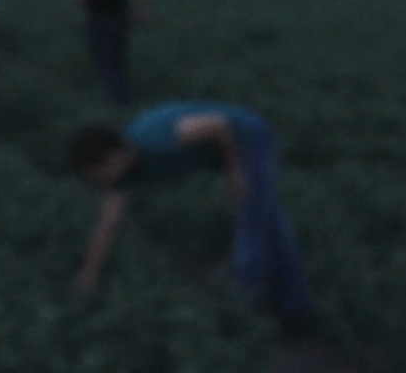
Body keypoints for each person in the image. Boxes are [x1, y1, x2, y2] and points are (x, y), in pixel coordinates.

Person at [68, 101, 318, 336]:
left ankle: (236, 321)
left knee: (252, 232)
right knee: (270, 227)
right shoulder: (122, 176)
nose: (97, 183)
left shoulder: (155, 137)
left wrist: (233, 172)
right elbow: (108, 225)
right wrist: (88, 276)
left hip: (249, 140)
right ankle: (297, 311)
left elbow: (218, 125)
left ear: (112, 159)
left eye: (96, 175)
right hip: (223, 153)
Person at [76, 0, 153, 106]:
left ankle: (111, 95)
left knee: (102, 55)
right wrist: (143, 12)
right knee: (118, 56)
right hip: (120, 17)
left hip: (97, 18)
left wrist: (88, 9)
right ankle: (119, 93)